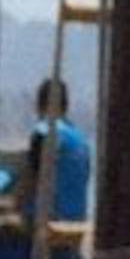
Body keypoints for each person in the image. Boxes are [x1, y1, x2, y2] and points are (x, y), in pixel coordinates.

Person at [24, 75, 93, 225]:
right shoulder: (80, 139)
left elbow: (30, 181)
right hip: (77, 218)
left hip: (50, 219)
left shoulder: (43, 131)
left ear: (38, 105)